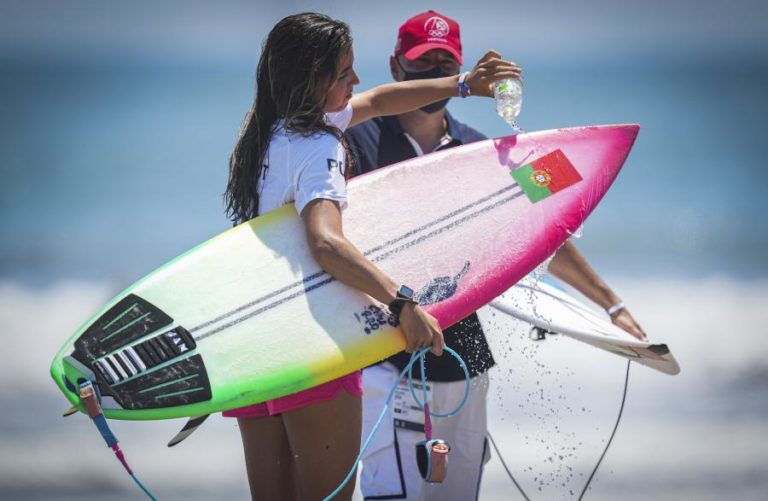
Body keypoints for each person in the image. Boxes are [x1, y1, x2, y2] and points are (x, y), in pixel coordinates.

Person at [345, 10, 646, 501]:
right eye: (423, 62)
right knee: (391, 496)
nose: (434, 73)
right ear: (396, 66)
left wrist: (612, 305)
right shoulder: (355, 140)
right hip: (381, 352)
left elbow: (542, 236)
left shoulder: (483, 152)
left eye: (446, 62)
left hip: (465, 359)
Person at [221, 12, 519, 501]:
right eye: (343, 74)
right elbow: (326, 242)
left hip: (261, 353)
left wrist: (464, 85)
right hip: (313, 349)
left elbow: (381, 100)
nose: (356, 82)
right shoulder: (320, 145)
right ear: (313, 80)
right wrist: (401, 302)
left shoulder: (268, 133)